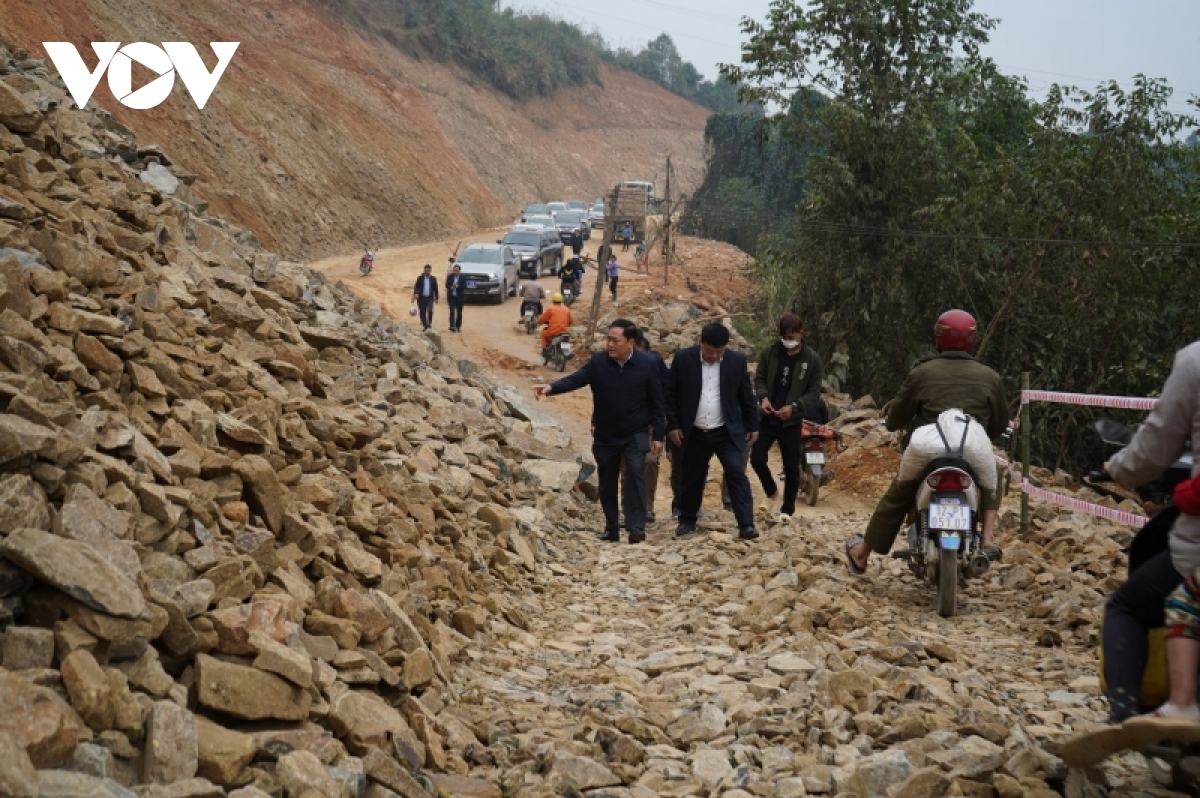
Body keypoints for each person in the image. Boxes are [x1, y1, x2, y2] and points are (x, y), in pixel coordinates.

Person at [845, 310, 1009, 574]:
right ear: (973, 340)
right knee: (992, 480)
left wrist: (892, 423)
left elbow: (896, 419)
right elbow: (999, 424)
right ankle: (988, 539)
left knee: (899, 491)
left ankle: (863, 554)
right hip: (970, 450)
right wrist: (977, 440)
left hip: (928, 452)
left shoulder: (922, 373)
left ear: (938, 339)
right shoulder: (990, 377)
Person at [1104, 341, 1200, 722]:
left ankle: (1126, 711)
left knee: (1127, 606)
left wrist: (1118, 469)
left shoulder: (1194, 361)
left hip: (1195, 550)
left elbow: (1153, 448)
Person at [532, 320, 665, 543]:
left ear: (630, 342)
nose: (609, 344)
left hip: (636, 432)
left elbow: (657, 402)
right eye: (608, 339)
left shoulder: (647, 364)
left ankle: (636, 526)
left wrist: (659, 436)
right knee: (607, 482)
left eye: (615, 340)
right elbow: (577, 379)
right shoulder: (599, 362)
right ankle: (612, 527)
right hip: (606, 433)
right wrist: (551, 388)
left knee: (635, 473)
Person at [668, 324, 761, 541]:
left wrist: (753, 425)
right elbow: (670, 395)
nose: (713, 356)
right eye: (710, 351)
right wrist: (673, 426)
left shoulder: (736, 361)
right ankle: (687, 519)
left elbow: (745, 395)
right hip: (694, 430)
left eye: (719, 352)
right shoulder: (683, 359)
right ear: (701, 343)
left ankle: (746, 524)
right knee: (691, 476)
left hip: (725, 430)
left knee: (736, 473)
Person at [751, 314, 824, 520]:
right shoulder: (770, 353)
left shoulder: (812, 359)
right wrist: (763, 398)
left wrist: (795, 406)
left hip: (791, 420)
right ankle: (771, 490)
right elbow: (760, 379)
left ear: (801, 333)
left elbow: (814, 391)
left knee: (791, 466)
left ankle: (787, 510)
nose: (788, 340)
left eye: (792, 336)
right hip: (767, 417)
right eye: (785, 336)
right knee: (756, 458)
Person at [411, 264, 438, 331]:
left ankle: (429, 323)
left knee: (430, 310)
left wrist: (436, 298)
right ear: (424, 270)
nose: (427, 272)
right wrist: (416, 293)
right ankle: (425, 325)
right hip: (421, 298)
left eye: (428, 271)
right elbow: (416, 287)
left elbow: (436, 289)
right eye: (426, 270)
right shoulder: (420, 278)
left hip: (430, 298)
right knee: (422, 312)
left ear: (430, 271)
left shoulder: (433, 279)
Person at [445, 264, 465, 333]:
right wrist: (451, 287)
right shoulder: (450, 277)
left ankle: (458, 326)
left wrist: (457, 286)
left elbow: (464, 286)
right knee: (452, 311)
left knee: (459, 312)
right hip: (452, 297)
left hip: (460, 298)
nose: (455, 272)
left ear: (459, 271)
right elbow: (447, 285)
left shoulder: (463, 277)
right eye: (454, 270)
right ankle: (452, 326)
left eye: (456, 270)